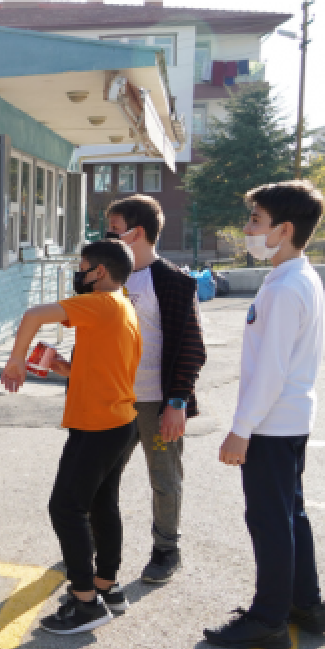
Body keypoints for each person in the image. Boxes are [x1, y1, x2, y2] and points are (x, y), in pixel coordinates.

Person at [204, 180, 325, 649]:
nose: (247, 229)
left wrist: (240, 431)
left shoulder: (285, 287)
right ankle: (306, 603)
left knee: (270, 521)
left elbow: (271, 371)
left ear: (285, 229)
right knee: (290, 515)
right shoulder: (298, 276)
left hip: (272, 425)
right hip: (290, 420)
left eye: (255, 221)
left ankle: (269, 619)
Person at [1, 240, 140, 634]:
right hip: (118, 421)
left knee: (66, 508)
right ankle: (107, 588)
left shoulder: (101, 303)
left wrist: (15, 362)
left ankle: (85, 602)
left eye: (82, 266)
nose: (78, 273)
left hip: (98, 427)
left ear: (100, 271)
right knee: (101, 505)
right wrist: (64, 367)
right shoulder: (124, 306)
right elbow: (107, 368)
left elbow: (32, 314)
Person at [104, 194, 207, 584]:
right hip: (113, 401)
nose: (108, 236)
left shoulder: (174, 282)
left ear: (138, 233)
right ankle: (95, 544)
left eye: (115, 230)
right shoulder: (105, 277)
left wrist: (177, 401)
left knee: (164, 479)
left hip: (155, 403)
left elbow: (192, 348)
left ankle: (166, 549)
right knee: (100, 477)